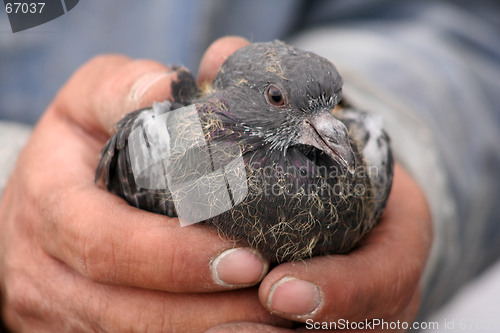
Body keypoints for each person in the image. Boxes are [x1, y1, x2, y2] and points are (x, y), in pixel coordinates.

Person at [0, 1, 499, 332]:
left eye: (332, 110)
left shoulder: (357, 153)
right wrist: (10, 192)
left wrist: (423, 168)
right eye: (281, 100)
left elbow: (463, 25)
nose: (331, 131)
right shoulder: (193, 149)